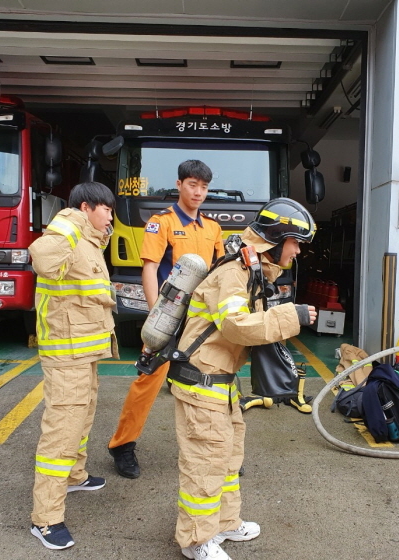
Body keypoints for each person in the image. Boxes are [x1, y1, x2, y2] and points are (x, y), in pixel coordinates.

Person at [168, 198, 317, 560]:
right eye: (295, 242)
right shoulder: (234, 273)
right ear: (277, 239)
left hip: (220, 381)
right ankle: (195, 541)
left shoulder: (251, 270)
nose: (297, 251)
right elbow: (235, 326)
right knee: (205, 461)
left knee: (228, 457)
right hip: (200, 381)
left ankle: (224, 523)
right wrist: (290, 316)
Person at [108, 160, 224, 478]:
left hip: (201, 320)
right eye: (192, 185)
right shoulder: (162, 222)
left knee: (210, 384)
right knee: (149, 382)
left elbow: (217, 273)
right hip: (170, 316)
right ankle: (122, 445)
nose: (198, 192)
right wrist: (155, 317)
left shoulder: (213, 228)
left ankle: (214, 449)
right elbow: (149, 268)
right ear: (179, 184)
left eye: (203, 186)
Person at [29, 181, 118, 550]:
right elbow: (42, 257)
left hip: (84, 351)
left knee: (82, 418)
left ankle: (74, 475)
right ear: (86, 207)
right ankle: (45, 519)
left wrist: (99, 230)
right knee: (62, 430)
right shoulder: (65, 230)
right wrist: (72, 220)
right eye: (106, 210)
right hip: (65, 354)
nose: (110, 216)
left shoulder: (89, 241)